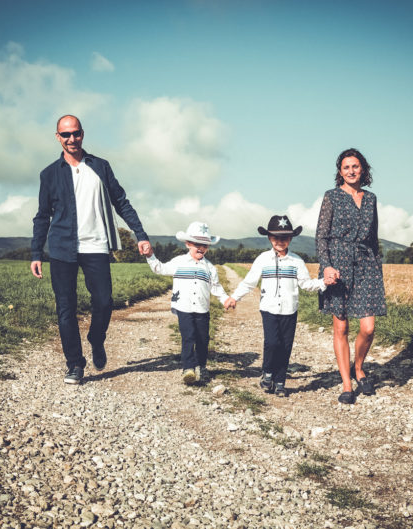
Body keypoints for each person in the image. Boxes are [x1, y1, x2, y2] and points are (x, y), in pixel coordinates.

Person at [31, 115, 151, 385]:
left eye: (75, 133)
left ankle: (97, 338)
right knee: (65, 308)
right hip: (62, 248)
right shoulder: (49, 174)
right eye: (65, 135)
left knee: (104, 301)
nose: (71, 139)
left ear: (82, 134)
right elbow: (42, 216)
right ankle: (74, 364)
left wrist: (140, 234)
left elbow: (121, 202)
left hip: (96, 245)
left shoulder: (100, 166)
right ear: (57, 137)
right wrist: (36, 253)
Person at [224, 215, 326, 397]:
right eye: (276, 237)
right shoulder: (263, 259)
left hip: (290, 309)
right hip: (269, 308)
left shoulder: (296, 261)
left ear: (291, 239)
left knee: (285, 346)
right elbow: (249, 282)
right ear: (270, 238)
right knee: (272, 343)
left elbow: (306, 284)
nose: (280, 241)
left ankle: (280, 382)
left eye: (285, 237)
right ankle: (268, 372)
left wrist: (324, 283)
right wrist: (234, 298)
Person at [315, 148, 386, 404]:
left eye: (355, 166)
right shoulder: (331, 197)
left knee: (368, 328)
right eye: (346, 167)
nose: (351, 171)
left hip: (366, 265)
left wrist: (376, 268)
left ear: (363, 170)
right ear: (340, 172)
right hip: (339, 265)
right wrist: (326, 266)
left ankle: (359, 367)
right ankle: (347, 382)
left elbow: (373, 237)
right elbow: (321, 236)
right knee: (341, 326)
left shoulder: (371, 198)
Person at [144, 221, 230, 385]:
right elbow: (160, 268)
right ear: (188, 243)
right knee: (188, 336)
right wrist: (150, 256)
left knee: (203, 339)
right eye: (196, 244)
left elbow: (216, 287)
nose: (200, 248)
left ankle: (202, 366)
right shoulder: (179, 262)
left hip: (202, 309)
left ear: (208, 247)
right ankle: (188, 368)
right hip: (184, 307)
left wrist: (225, 299)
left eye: (204, 245)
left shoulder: (210, 268)